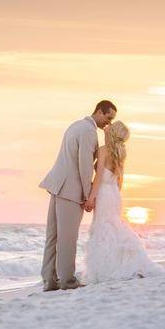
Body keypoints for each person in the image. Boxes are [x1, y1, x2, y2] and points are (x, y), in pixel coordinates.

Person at [38, 100, 116, 291]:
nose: (109, 123)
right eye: (108, 117)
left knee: (53, 236)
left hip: (57, 185)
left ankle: (49, 280)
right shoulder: (89, 132)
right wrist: (86, 194)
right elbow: (84, 166)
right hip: (70, 190)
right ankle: (68, 281)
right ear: (99, 111)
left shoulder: (75, 125)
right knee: (68, 238)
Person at [81, 120, 161, 283]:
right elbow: (119, 181)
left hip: (103, 191)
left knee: (104, 228)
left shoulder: (103, 150)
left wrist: (91, 198)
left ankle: (107, 268)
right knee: (115, 226)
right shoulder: (120, 152)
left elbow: (98, 178)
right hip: (114, 193)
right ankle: (128, 262)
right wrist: (114, 192)